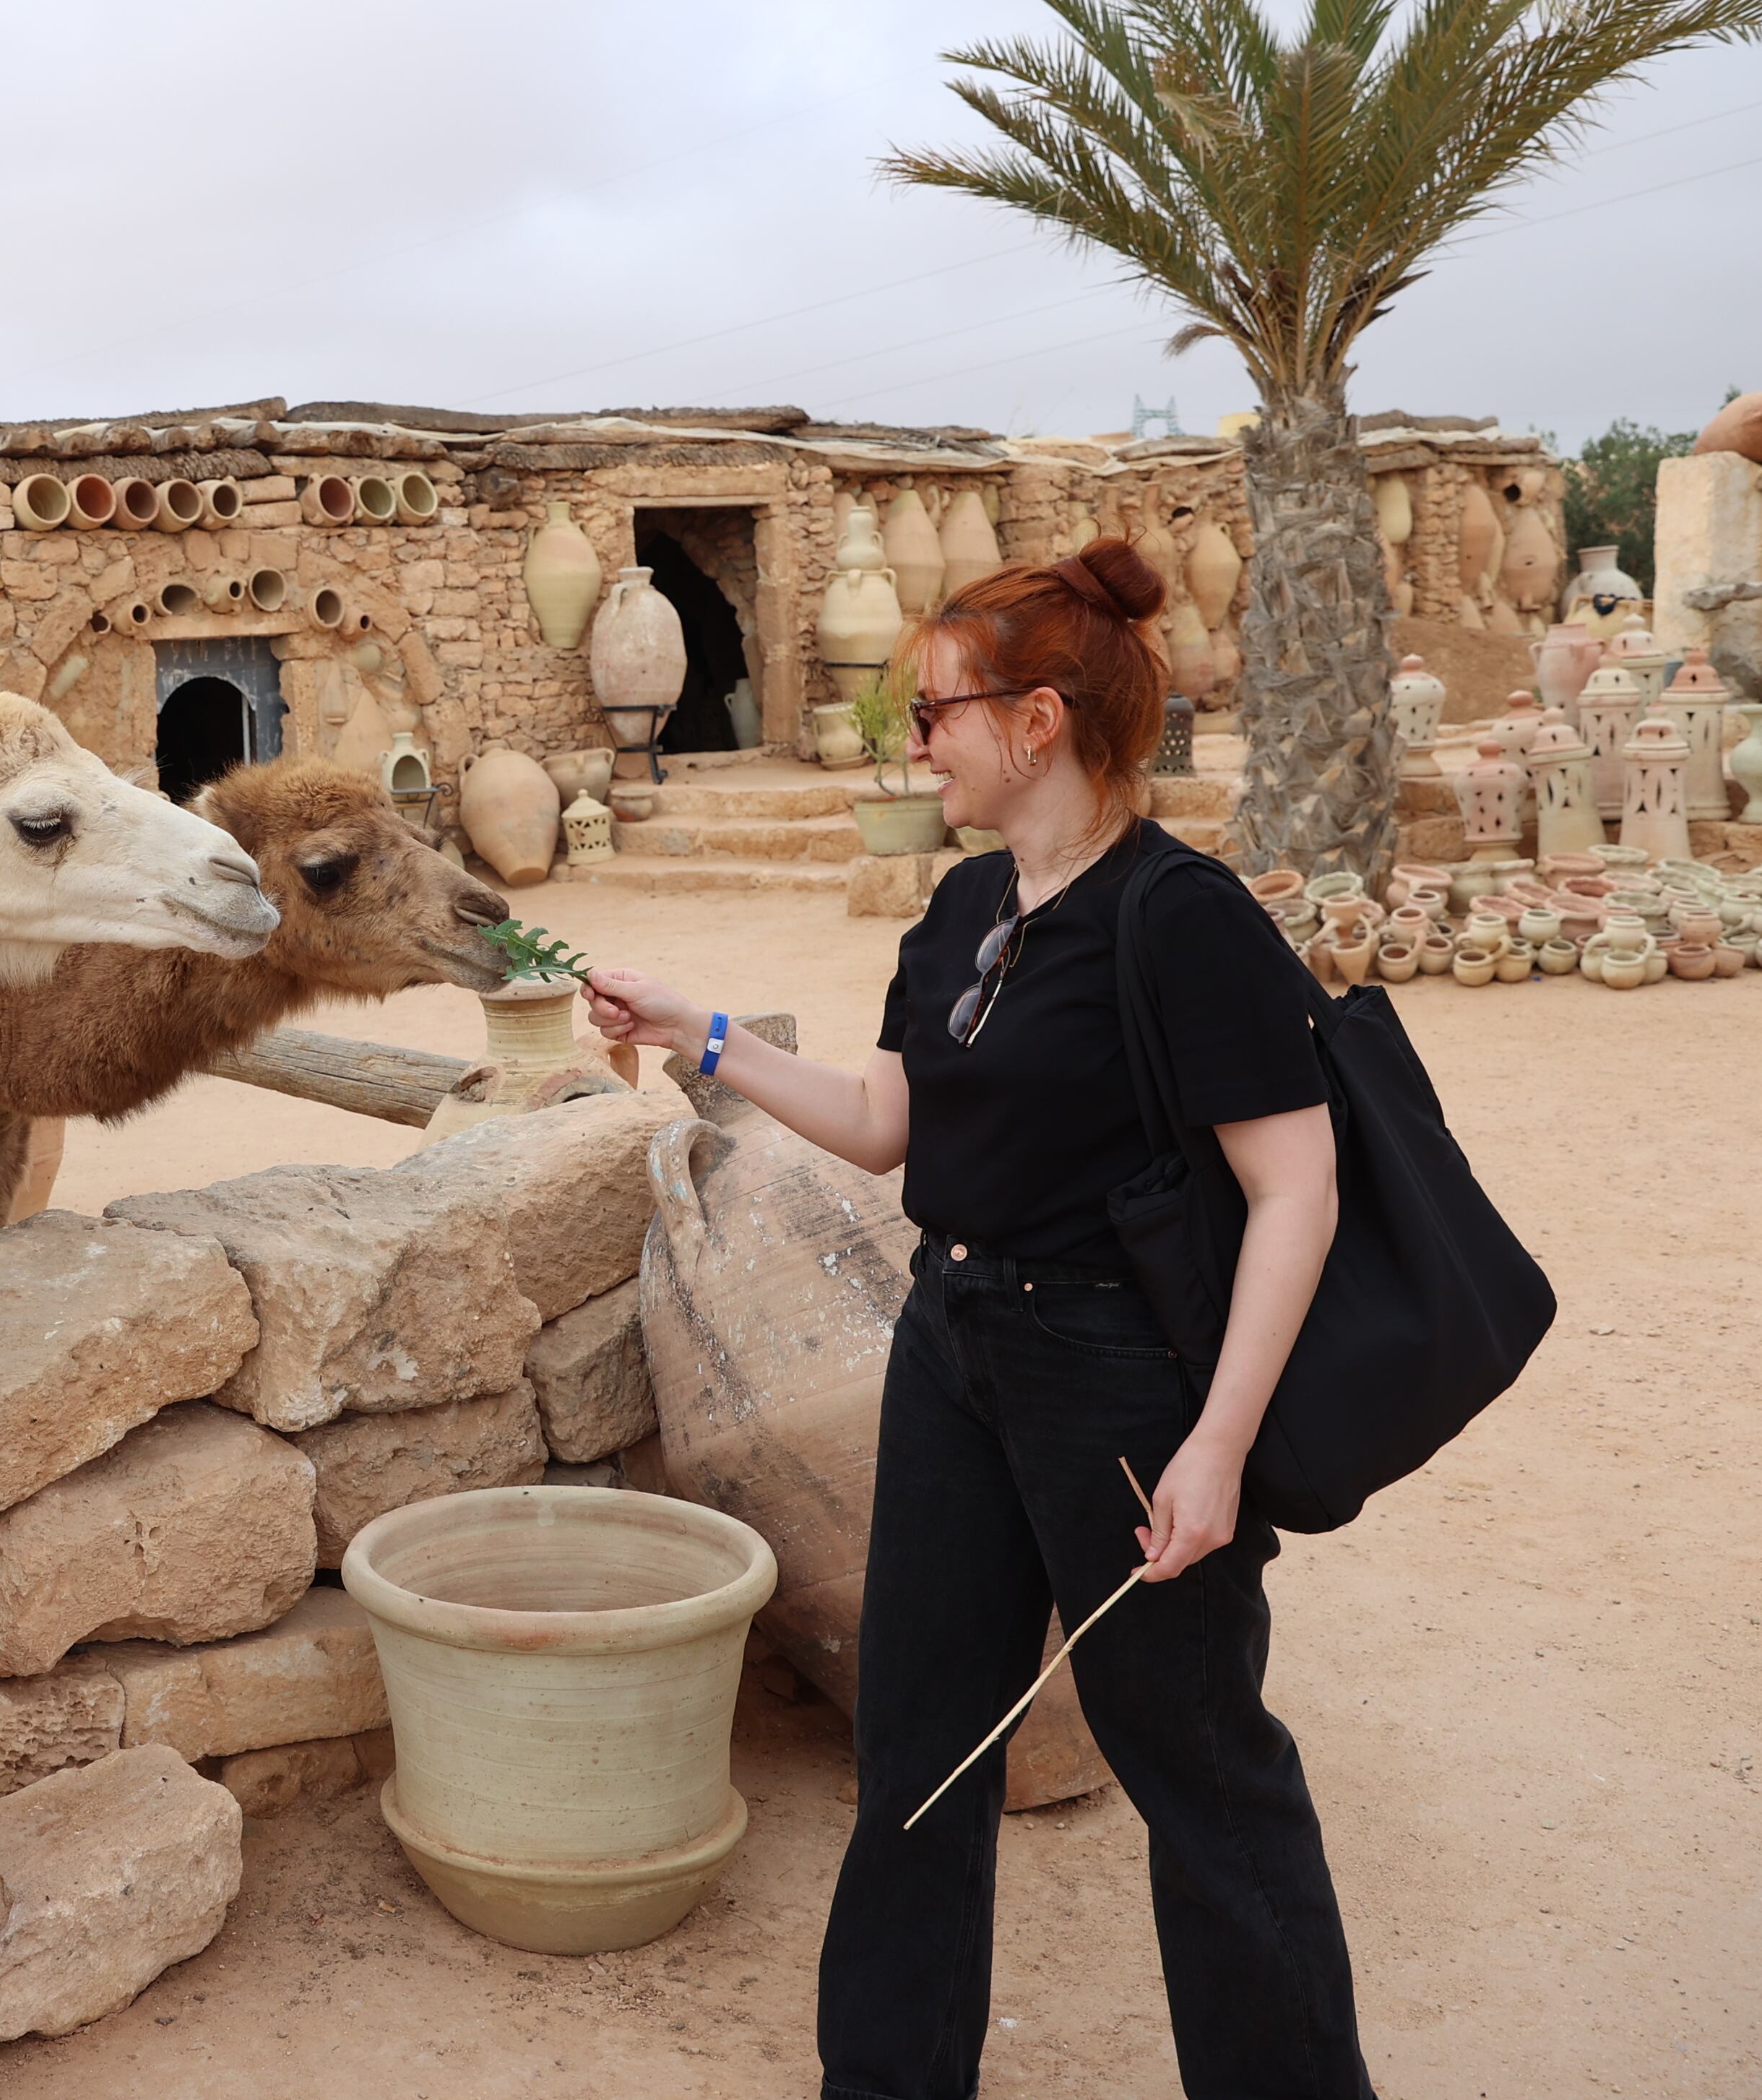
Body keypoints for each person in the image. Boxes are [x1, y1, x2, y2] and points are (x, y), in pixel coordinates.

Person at [585, 537, 1373, 2100]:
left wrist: (1214, 1446)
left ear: (1037, 721)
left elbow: (1297, 1189)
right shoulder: (959, 907)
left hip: (1122, 1384)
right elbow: (888, 1121)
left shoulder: (1181, 914)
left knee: (1204, 1769)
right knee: (920, 1752)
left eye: (937, 708)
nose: (913, 740)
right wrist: (706, 1030)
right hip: (951, 1343)